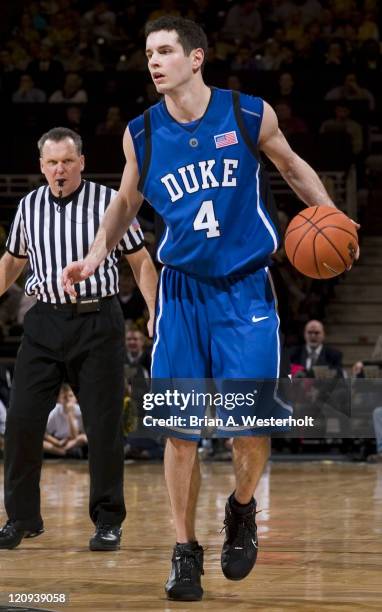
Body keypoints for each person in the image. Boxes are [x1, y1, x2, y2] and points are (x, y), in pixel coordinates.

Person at [62, 17, 359, 601]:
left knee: (250, 428)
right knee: (180, 432)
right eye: (149, 52)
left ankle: (242, 508)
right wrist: (97, 251)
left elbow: (293, 167)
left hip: (245, 288)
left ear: (196, 58)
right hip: (181, 292)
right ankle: (184, 550)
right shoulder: (141, 133)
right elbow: (125, 200)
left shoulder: (248, 113)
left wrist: (333, 217)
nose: (154, 60)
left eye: (166, 50)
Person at [0, 127, 158, 551]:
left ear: (82, 163)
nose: (60, 170)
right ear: (41, 167)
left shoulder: (109, 202)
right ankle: (22, 518)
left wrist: (154, 311)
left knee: (104, 426)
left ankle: (108, 521)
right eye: (51, 163)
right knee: (20, 420)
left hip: (97, 322)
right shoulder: (28, 206)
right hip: (44, 322)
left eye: (67, 161)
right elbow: (13, 263)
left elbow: (141, 261)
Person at [43, 384, 87, 457]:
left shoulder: (80, 412)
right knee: (40, 443)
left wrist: (70, 415)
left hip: (74, 441)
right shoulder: (54, 412)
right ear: (59, 399)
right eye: (64, 397)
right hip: (58, 441)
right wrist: (57, 443)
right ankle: (62, 452)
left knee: (83, 438)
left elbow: (75, 436)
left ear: (75, 398)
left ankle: (63, 451)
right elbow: (45, 434)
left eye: (70, 396)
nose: (68, 400)